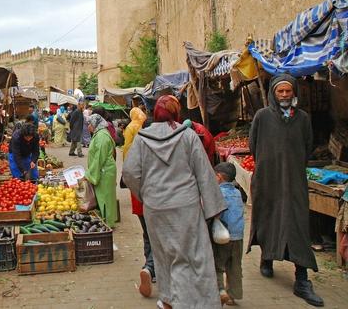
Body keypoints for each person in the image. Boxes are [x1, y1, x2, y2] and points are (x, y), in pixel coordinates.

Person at [122, 95, 225, 309]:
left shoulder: (142, 138)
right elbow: (204, 173)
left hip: (155, 207)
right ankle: (194, 301)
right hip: (185, 206)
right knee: (191, 255)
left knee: (163, 254)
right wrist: (214, 212)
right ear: (177, 113)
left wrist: (145, 195)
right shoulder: (187, 136)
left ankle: (168, 298)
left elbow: (130, 173)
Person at [248, 74, 323, 307]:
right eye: (280, 92)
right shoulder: (262, 117)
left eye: (288, 91)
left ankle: (302, 279)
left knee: (298, 223)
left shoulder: (302, 118)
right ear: (273, 93)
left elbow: (307, 146)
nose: (284, 95)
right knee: (268, 218)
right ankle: (266, 258)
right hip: (268, 179)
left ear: (294, 93)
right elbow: (253, 145)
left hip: (294, 182)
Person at [122, 107, 155, 297]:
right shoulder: (159, 149)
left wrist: (137, 191)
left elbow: (129, 167)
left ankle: (148, 266)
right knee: (157, 234)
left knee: (147, 233)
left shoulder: (133, 135)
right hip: (155, 201)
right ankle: (152, 268)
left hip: (140, 198)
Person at [212, 162, 244, 306]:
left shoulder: (218, 193)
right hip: (238, 237)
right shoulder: (237, 193)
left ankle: (220, 291)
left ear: (218, 177)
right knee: (235, 267)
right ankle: (232, 295)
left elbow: (216, 213)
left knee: (217, 266)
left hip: (223, 238)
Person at [85, 113, 118, 227]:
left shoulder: (101, 136)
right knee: (104, 196)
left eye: (89, 124)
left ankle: (108, 222)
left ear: (95, 124)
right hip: (104, 169)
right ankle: (107, 220)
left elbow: (99, 157)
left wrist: (90, 174)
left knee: (105, 197)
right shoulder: (100, 133)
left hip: (105, 170)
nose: (88, 126)